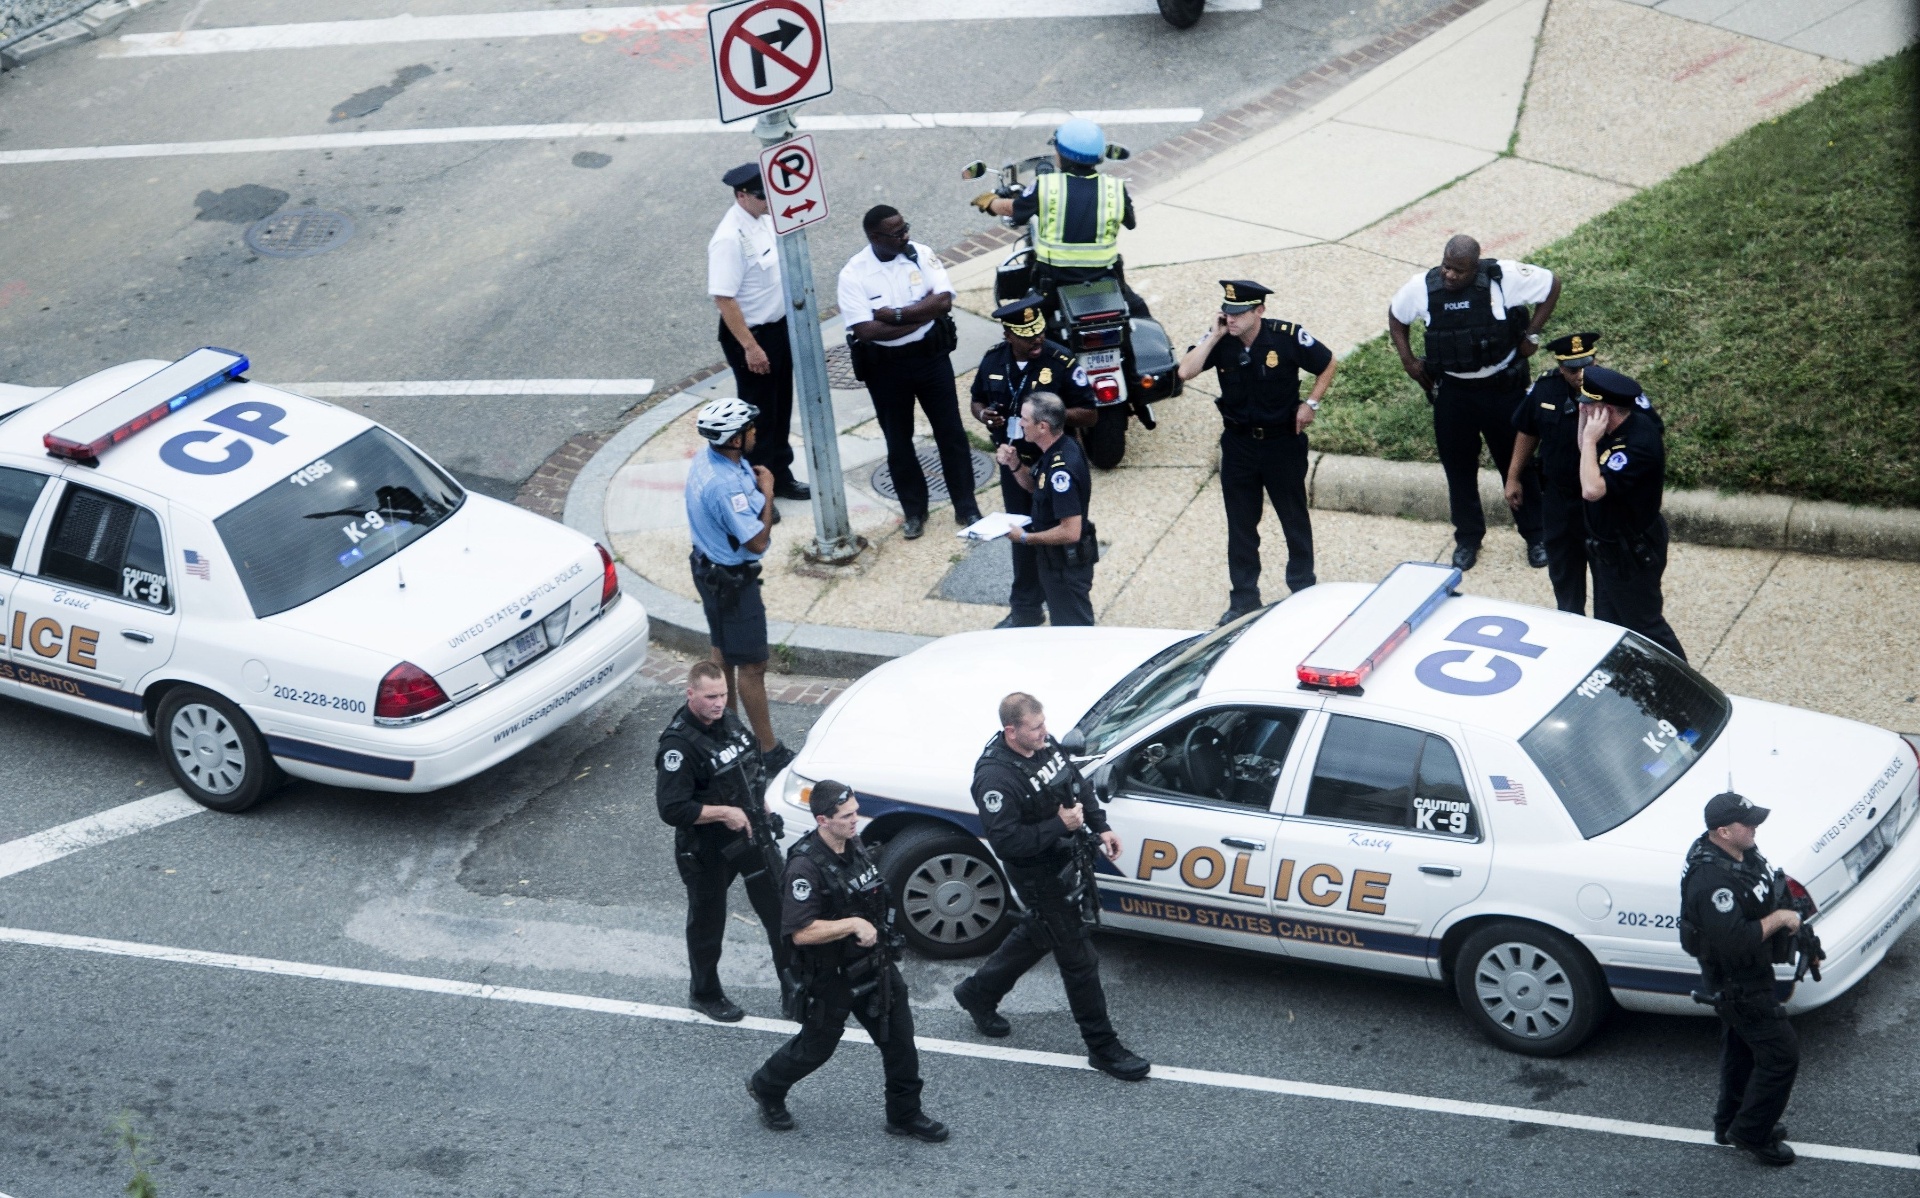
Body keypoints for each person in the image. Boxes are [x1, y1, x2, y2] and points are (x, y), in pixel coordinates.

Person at [952, 693, 1149, 1082]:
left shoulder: (1043, 744)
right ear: (1012, 731)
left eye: (1044, 724)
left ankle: (979, 992)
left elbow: (1075, 782)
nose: (1045, 732)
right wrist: (1060, 825)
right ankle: (1103, 1047)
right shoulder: (995, 778)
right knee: (1079, 959)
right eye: (1036, 727)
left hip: (1063, 860)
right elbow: (1006, 843)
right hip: (1035, 874)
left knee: (1040, 933)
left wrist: (1100, 825)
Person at [747, 781, 949, 1141]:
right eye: (846, 816)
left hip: (874, 964)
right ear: (823, 820)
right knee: (815, 1049)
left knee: (900, 1042)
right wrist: (852, 924)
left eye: (855, 811)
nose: (856, 820)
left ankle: (905, 1114)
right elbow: (800, 932)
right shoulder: (804, 867)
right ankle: (767, 1086)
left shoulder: (850, 841)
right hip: (831, 976)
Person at [1387, 234, 1561, 570]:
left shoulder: (1503, 277)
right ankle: (1468, 538)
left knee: (1517, 465)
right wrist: (1408, 361)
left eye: (1459, 270)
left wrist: (1533, 333)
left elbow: (1552, 284)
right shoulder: (1422, 287)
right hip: (1453, 393)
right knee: (1459, 469)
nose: (1449, 275)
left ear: (1476, 266)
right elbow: (1397, 317)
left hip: (1502, 390)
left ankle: (1536, 534)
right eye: (1446, 266)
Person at [1177, 279, 1337, 625]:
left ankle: (1303, 588)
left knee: (1293, 518)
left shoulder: (1286, 336)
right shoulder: (1222, 341)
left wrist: (1311, 404)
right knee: (1241, 524)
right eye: (1227, 312)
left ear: (1259, 311)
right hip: (1239, 446)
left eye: (1238, 313)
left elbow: (1327, 363)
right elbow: (1185, 371)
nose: (1230, 319)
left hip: (1282, 443)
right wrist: (1214, 335)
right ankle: (1244, 598)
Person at [1680, 791, 1815, 1167]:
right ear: (1723, 831)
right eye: (1748, 822)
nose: (1755, 826)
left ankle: (1728, 1124)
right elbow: (1735, 939)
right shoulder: (1710, 881)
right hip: (1737, 982)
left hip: (1752, 973)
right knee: (1780, 1057)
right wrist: (1781, 920)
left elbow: (1766, 891)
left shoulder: (1742, 853)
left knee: (1741, 1050)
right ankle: (1753, 1132)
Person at [656, 660, 792, 1024]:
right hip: (708, 849)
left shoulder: (727, 720)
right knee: (707, 922)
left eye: (723, 695)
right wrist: (723, 813)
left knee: (779, 911)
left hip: (750, 835)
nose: (719, 703)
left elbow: (748, 763)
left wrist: (758, 802)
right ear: (691, 694)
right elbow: (672, 808)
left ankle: (794, 989)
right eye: (711, 696)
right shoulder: (678, 746)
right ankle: (704, 993)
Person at [838, 205, 980, 540]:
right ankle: (914, 512)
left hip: (930, 358)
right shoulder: (853, 274)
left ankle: (966, 505)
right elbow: (867, 331)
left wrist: (897, 315)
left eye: (905, 228)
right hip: (885, 369)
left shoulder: (921, 255)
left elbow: (943, 301)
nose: (906, 236)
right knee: (898, 443)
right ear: (875, 237)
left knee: (952, 435)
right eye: (897, 232)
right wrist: (922, 314)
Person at [970, 293, 1097, 628]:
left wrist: (1047, 418)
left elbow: (1089, 413)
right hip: (1014, 461)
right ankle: (1026, 610)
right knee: (1020, 534)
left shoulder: (1061, 361)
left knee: (1058, 535)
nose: (1037, 339)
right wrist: (986, 415)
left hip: (1051, 461)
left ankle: (1069, 610)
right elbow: (977, 400)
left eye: (1039, 331)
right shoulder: (994, 360)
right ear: (1009, 336)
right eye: (1027, 336)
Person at [683, 396, 794, 769]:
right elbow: (757, 542)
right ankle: (767, 750)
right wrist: (768, 491)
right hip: (732, 583)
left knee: (724, 652)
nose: (754, 433)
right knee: (752, 665)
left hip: (707, 570)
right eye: (748, 429)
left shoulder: (708, 460)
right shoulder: (724, 487)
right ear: (733, 440)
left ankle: (727, 734)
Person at [973, 119, 1149, 317]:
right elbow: (1130, 222)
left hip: (1055, 279)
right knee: (1140, 313)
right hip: (1105, 276)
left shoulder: (1046, 185)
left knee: (1025, 326)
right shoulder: (1114, 187)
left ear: (1063, 155)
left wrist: (989, 201)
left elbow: (1013, 209)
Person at [708, 163, 808, 501]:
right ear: (741, 196)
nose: (770, 200)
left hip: (777, 329)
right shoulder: (728, 239)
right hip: (753, 336)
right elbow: (724, 297)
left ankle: (780, 475)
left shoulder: (763, 219)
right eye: (762, 195)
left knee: (780, 409)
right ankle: (757, 489)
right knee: (758, 418)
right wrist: (751, 348)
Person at [1577, 372, 1686, 659]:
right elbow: (1584, 457)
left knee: (1644, 625)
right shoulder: (1611, 430)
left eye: (1590, 405)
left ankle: (1685, 684)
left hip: (1631, 552)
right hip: (1607, 546)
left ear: (1607, 410)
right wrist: (1583, 421)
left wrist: (1589, 441)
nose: (1584, 408)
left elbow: (1591, 488)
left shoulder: (1637, 444)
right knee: (1608, 624)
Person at [992, 392, 1096, 626]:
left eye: (1024, 419)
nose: (1019, 424)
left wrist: (1026, 537)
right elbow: (1034, 485)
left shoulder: (1062, 471)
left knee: (1073, 633)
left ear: (1042, 426)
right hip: (1054, 563)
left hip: (1066, 568)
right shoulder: (1059, 448)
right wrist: (1014, 464)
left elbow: (1071, 531)